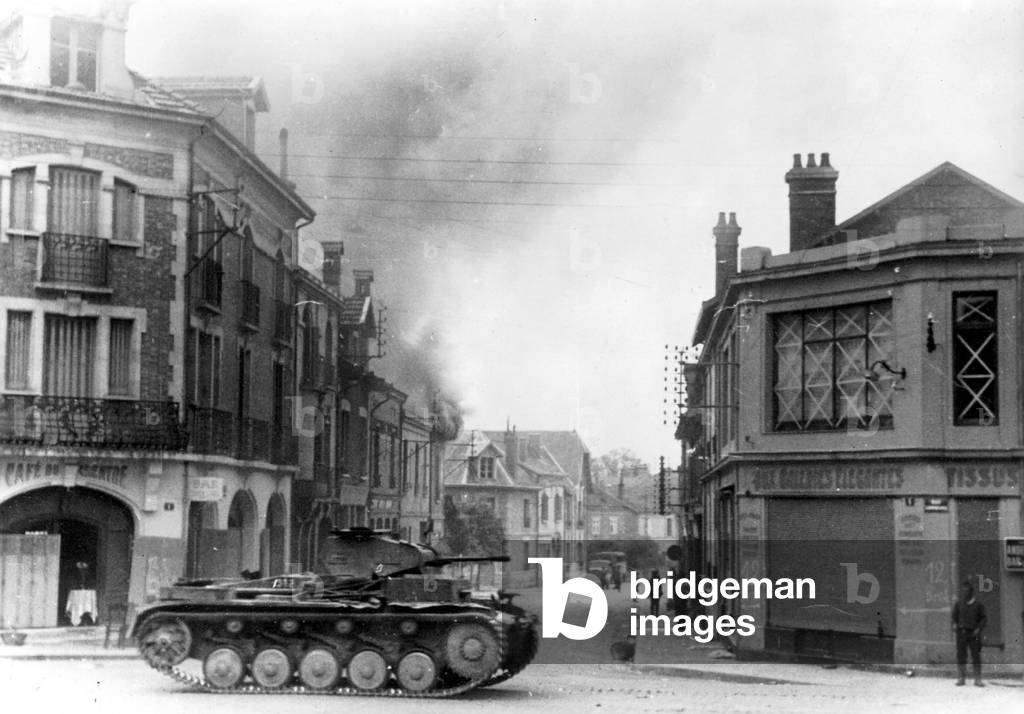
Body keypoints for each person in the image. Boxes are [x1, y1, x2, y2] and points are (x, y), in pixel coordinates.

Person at [951, 578, 987, 686]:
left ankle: (978, 679)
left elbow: (984, 618)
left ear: (972, 592)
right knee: (961, 655)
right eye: (964, 591)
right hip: (962, 633)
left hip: (974, 634)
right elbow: (954, 617)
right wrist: (954, 624)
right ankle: (961, 678)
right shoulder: (959, 604)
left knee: (976, 655)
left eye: (967, 591)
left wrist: (978, 628)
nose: (965, 593)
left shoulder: (978, 605)